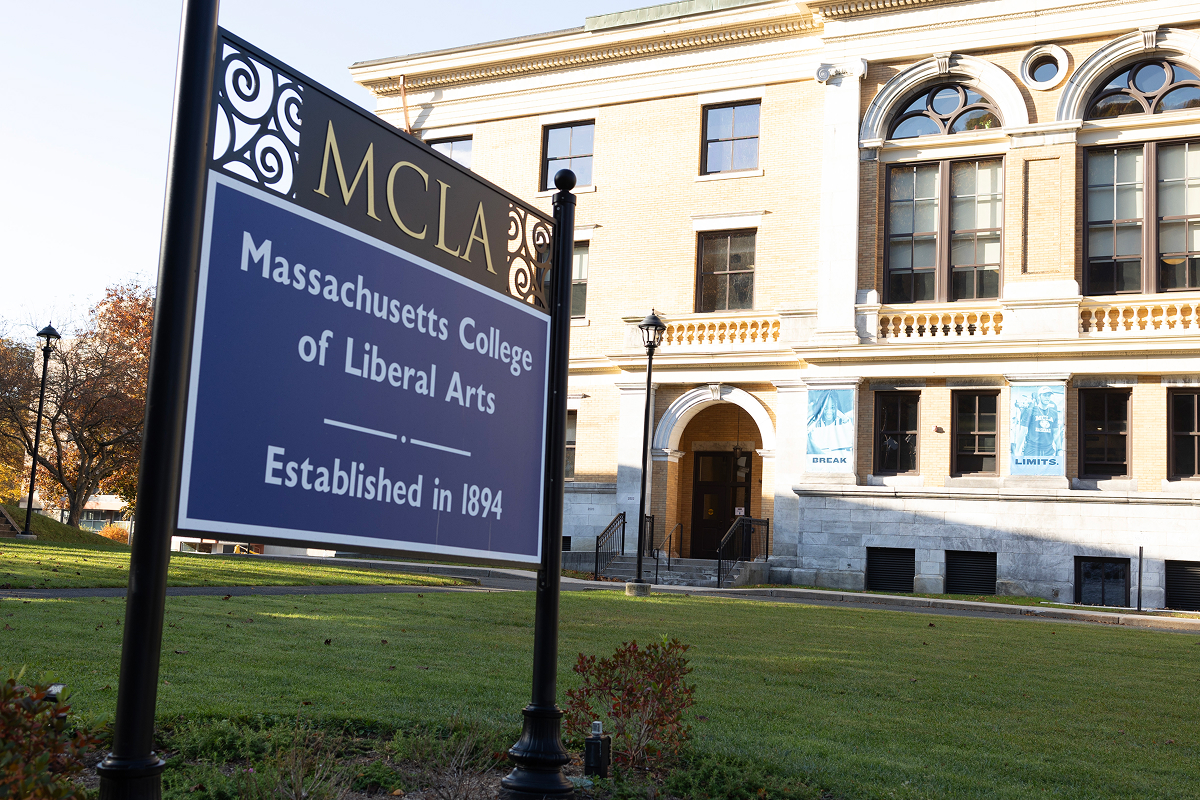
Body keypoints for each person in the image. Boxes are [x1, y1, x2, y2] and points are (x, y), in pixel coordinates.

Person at [808, 392, 853, 456]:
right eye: (825, 408)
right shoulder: (814, 422)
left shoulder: (844, 421)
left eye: (832, 408)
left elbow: (850, 439)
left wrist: (844, 418)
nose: (829, 412)